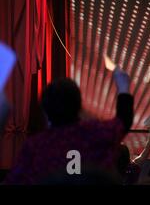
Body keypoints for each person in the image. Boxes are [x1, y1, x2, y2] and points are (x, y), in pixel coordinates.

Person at [4, 68, 134, 184]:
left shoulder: (35, 146)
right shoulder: (97, 133)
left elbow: (14, 180)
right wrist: (123, 87)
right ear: (79, 105)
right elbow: (123, 121)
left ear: (44, 109)